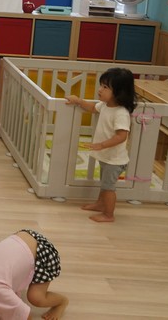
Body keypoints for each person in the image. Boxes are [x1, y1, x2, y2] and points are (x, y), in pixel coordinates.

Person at [66, 67, 136, 223]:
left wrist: (102, 145)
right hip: (107, 156)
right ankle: (100, 204)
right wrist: (78, 101)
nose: (100, 90)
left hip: (114, 159)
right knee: (104, 184)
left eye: (105, 87)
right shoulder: (105, 105)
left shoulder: (121, 113)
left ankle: (109, 215)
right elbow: (92, 107)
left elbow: (122, 136)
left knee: (108, 187)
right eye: (101, 85)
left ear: (119, 92)